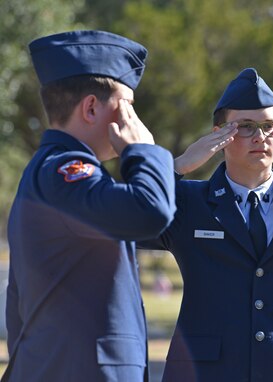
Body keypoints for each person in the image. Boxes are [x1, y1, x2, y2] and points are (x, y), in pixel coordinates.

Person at [139, 67, 273, 381]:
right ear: (218, 134)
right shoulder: (186, 200)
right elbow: (123, 219)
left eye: (270, 126)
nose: (260, 137)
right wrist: (179, 165)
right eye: (246, 127)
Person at [4, 30, 176, 382]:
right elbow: (151, 211)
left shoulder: (51, 172)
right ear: (92, 107)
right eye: (126, 105)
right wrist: (143, 150)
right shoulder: (65, 172)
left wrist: (172, 168)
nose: (132, 119)